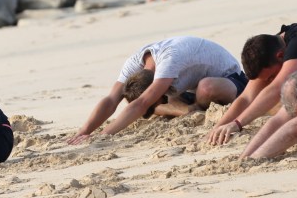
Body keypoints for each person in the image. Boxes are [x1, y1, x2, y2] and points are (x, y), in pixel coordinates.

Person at [67, 36, 246, 144]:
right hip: (189, 88)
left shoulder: (168, 62)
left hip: (229, 78)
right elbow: (111, 99)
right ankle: (191, 109)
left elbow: (142, 103)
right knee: (149, 106)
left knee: (206, 88)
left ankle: (193, 108)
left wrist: (103, 135)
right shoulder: (134, 64)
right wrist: (84, 132)